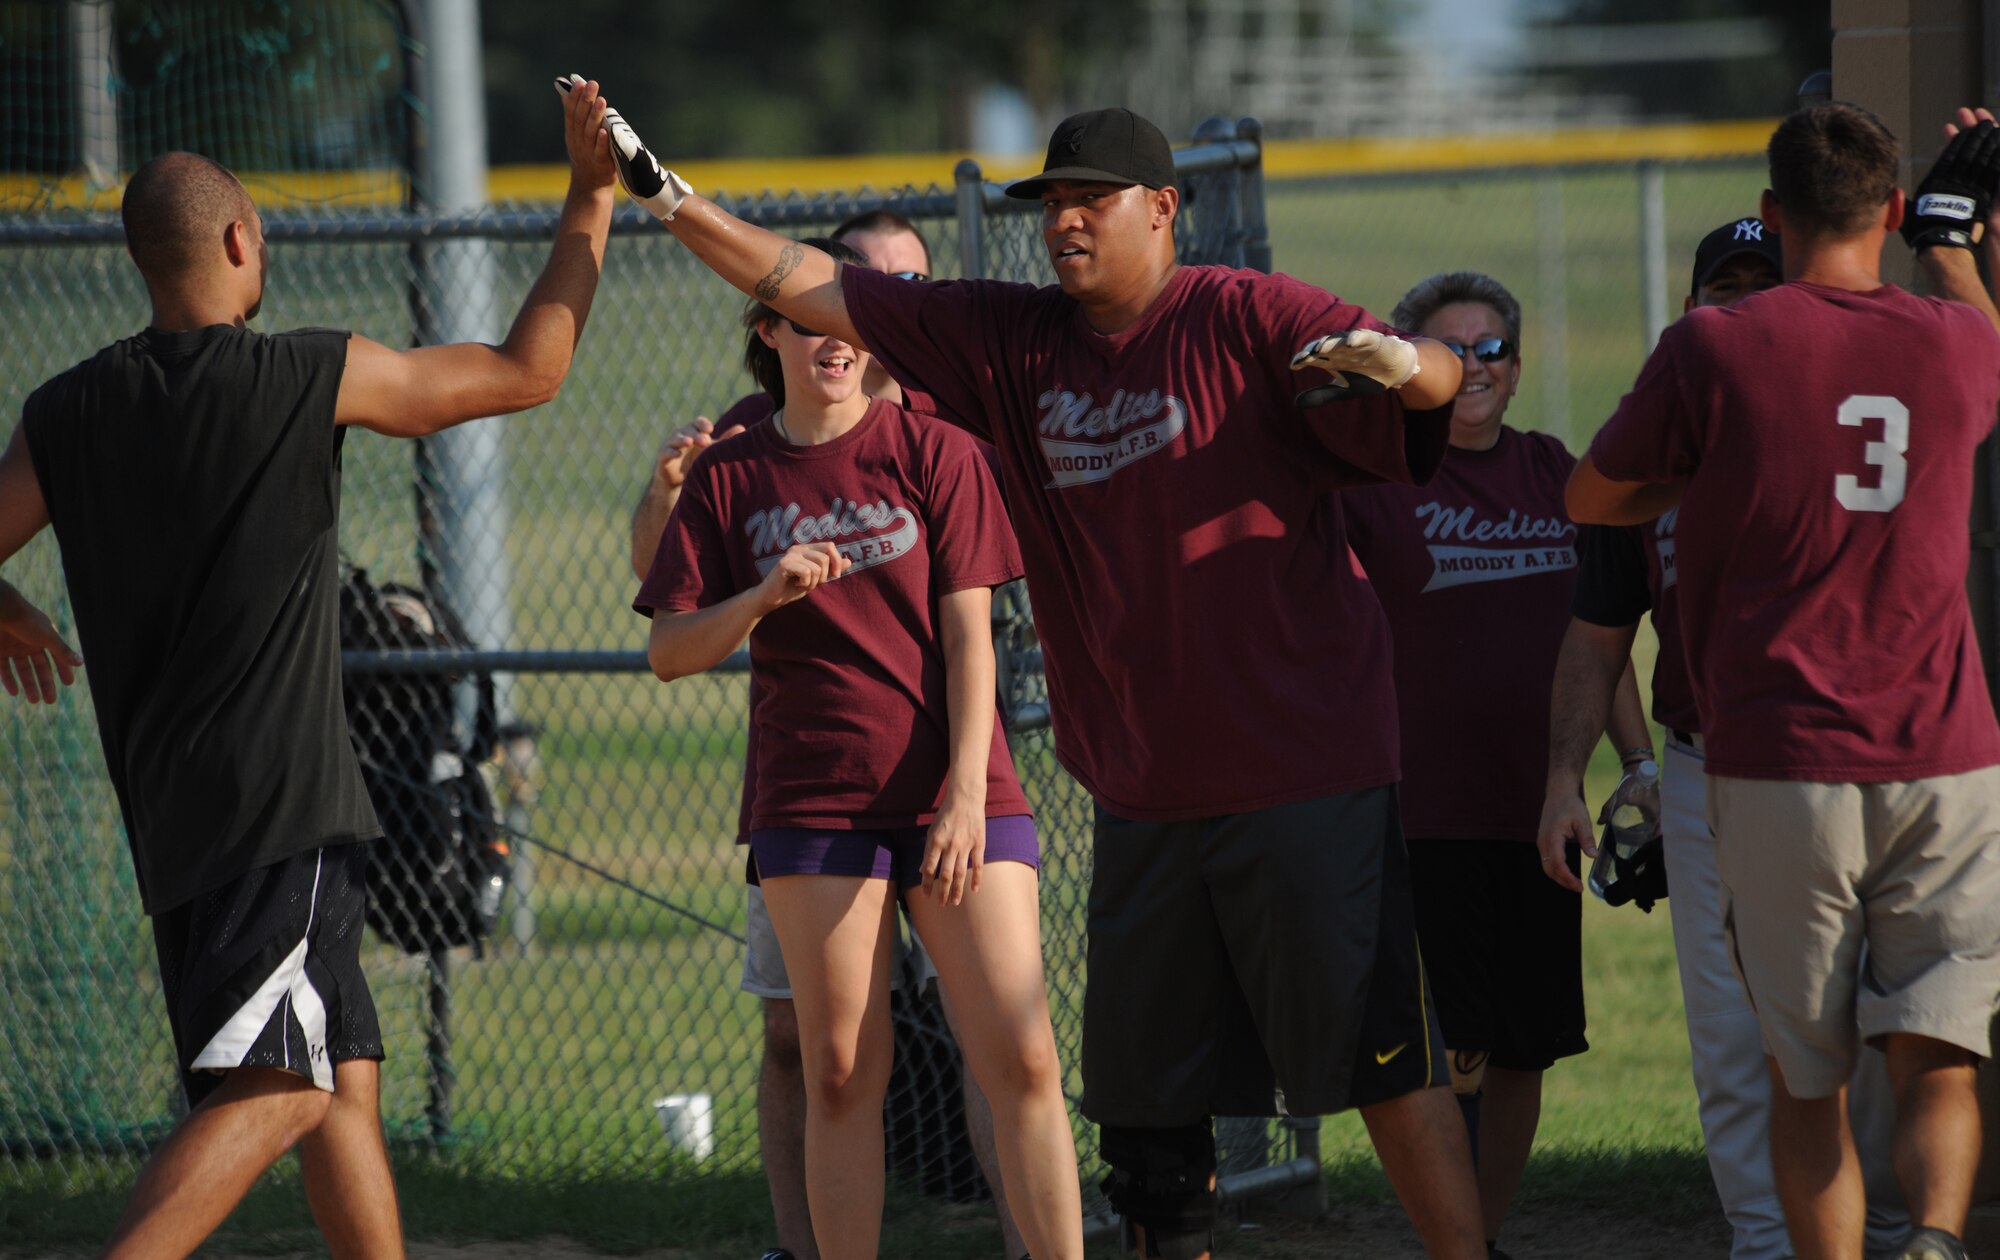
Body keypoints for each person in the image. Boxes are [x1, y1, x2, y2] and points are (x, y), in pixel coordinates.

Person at [599, 90, 1487, 1260]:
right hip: (1139, 791)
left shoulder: (1241, 313)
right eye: (1052, 204)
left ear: (1162, 210)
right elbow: (804, 281)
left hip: (1301, 771)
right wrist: (661, 194)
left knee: (1377, 1064)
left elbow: (1424, 378)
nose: (1064, 222)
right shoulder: (1012, 342)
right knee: (1148, 1119)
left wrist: (1410, 360)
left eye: (1090, 201)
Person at [0, 78, 616, 1259]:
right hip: (278, 813)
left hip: (174, 815)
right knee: (280, 1088)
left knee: (342, 1081)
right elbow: (528, 370)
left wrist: (7, 608)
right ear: (238, 241)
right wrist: (588, 199)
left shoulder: (66, 408)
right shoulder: (299, 375)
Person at [1567, 104, 2000, 1260]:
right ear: (1891, 213)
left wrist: (1715, 468)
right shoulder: (1958, 343)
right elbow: (1969, 310)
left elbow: (1591, 497)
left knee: (1800, 1079)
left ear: (1771, 216)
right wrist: (1952, 236)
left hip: (1780, 759)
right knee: (1935, 1054)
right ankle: (1939, 1240)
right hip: (1945, 753)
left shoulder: (1714, 347)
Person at [635, 236, 1083, 1260]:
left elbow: (971, 638)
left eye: (843, 324)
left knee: (1020, 1057)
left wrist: (966, 793)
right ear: (768, 334)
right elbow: (669, 651)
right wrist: (761, 596)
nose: (831, 343)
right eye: (806, 323)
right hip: (815, 797)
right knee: (840, 1069)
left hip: (954, 788)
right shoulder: (732, 475)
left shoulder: (936, 450)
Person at [1538, 215, 1912, 1259]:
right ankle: (1762, 1238)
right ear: (1693, 309)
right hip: (1706, 766)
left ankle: (1878, 1231)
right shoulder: (1654, 444)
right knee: (1728, 1029)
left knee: (1869, 1015)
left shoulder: (1838, 424)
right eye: (1723, 285)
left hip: (1851, 761)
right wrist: (1572, 773)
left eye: (1763, 278)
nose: (1742, 299)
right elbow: (1596, 629)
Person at [1343, 271, 1637, 1257]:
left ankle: (1479, 1237)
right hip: (1423, 808)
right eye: (1449, 348)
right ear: (1411, 365)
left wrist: (1635, 766)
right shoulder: (1377, 481)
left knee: (1523, 1046)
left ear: (1514, 369)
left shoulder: (1554, 471)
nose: (1472, 367)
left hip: (1539, 809)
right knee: (1450, 1044)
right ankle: (1455, 1243)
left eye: (1491, 349)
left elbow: (1600, 631)